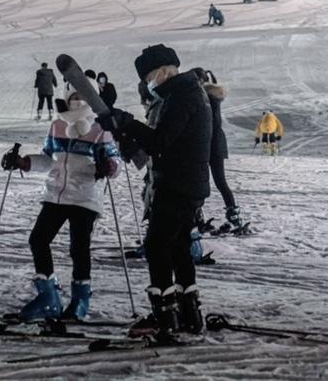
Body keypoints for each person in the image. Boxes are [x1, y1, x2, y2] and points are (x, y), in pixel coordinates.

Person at [98, 44, 212, 339]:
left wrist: (127, 122)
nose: (148, 83)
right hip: (186, 183)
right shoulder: (185, 93)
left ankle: (165, 315)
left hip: (177, 184)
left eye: (149, 76)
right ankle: (188, 312)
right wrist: (126, 133)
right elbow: (162, 144)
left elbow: (160, 141)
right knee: (178, 246)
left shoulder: (182, 95)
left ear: (162, 71)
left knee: (158, 246)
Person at [0, 83, 121, 320]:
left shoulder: (99, 128)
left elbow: (114, 161)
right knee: (38, 239)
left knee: (78, 248)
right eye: (73, 96)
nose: (77, 100)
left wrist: (108, 166)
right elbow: (49, 159)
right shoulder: (57, 125)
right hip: (56, 193)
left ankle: (80, 299)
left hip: (85, 196)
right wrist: (24, 162)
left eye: (82, 96)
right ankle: (48, 296)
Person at [192, 68, 244, 232]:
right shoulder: (213, 96)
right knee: (219, 182)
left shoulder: (204, 98)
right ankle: (233, 215)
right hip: (216, 145)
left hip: (207, 145)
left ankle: (197, 216)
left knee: (198, 182)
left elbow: (207, 125)